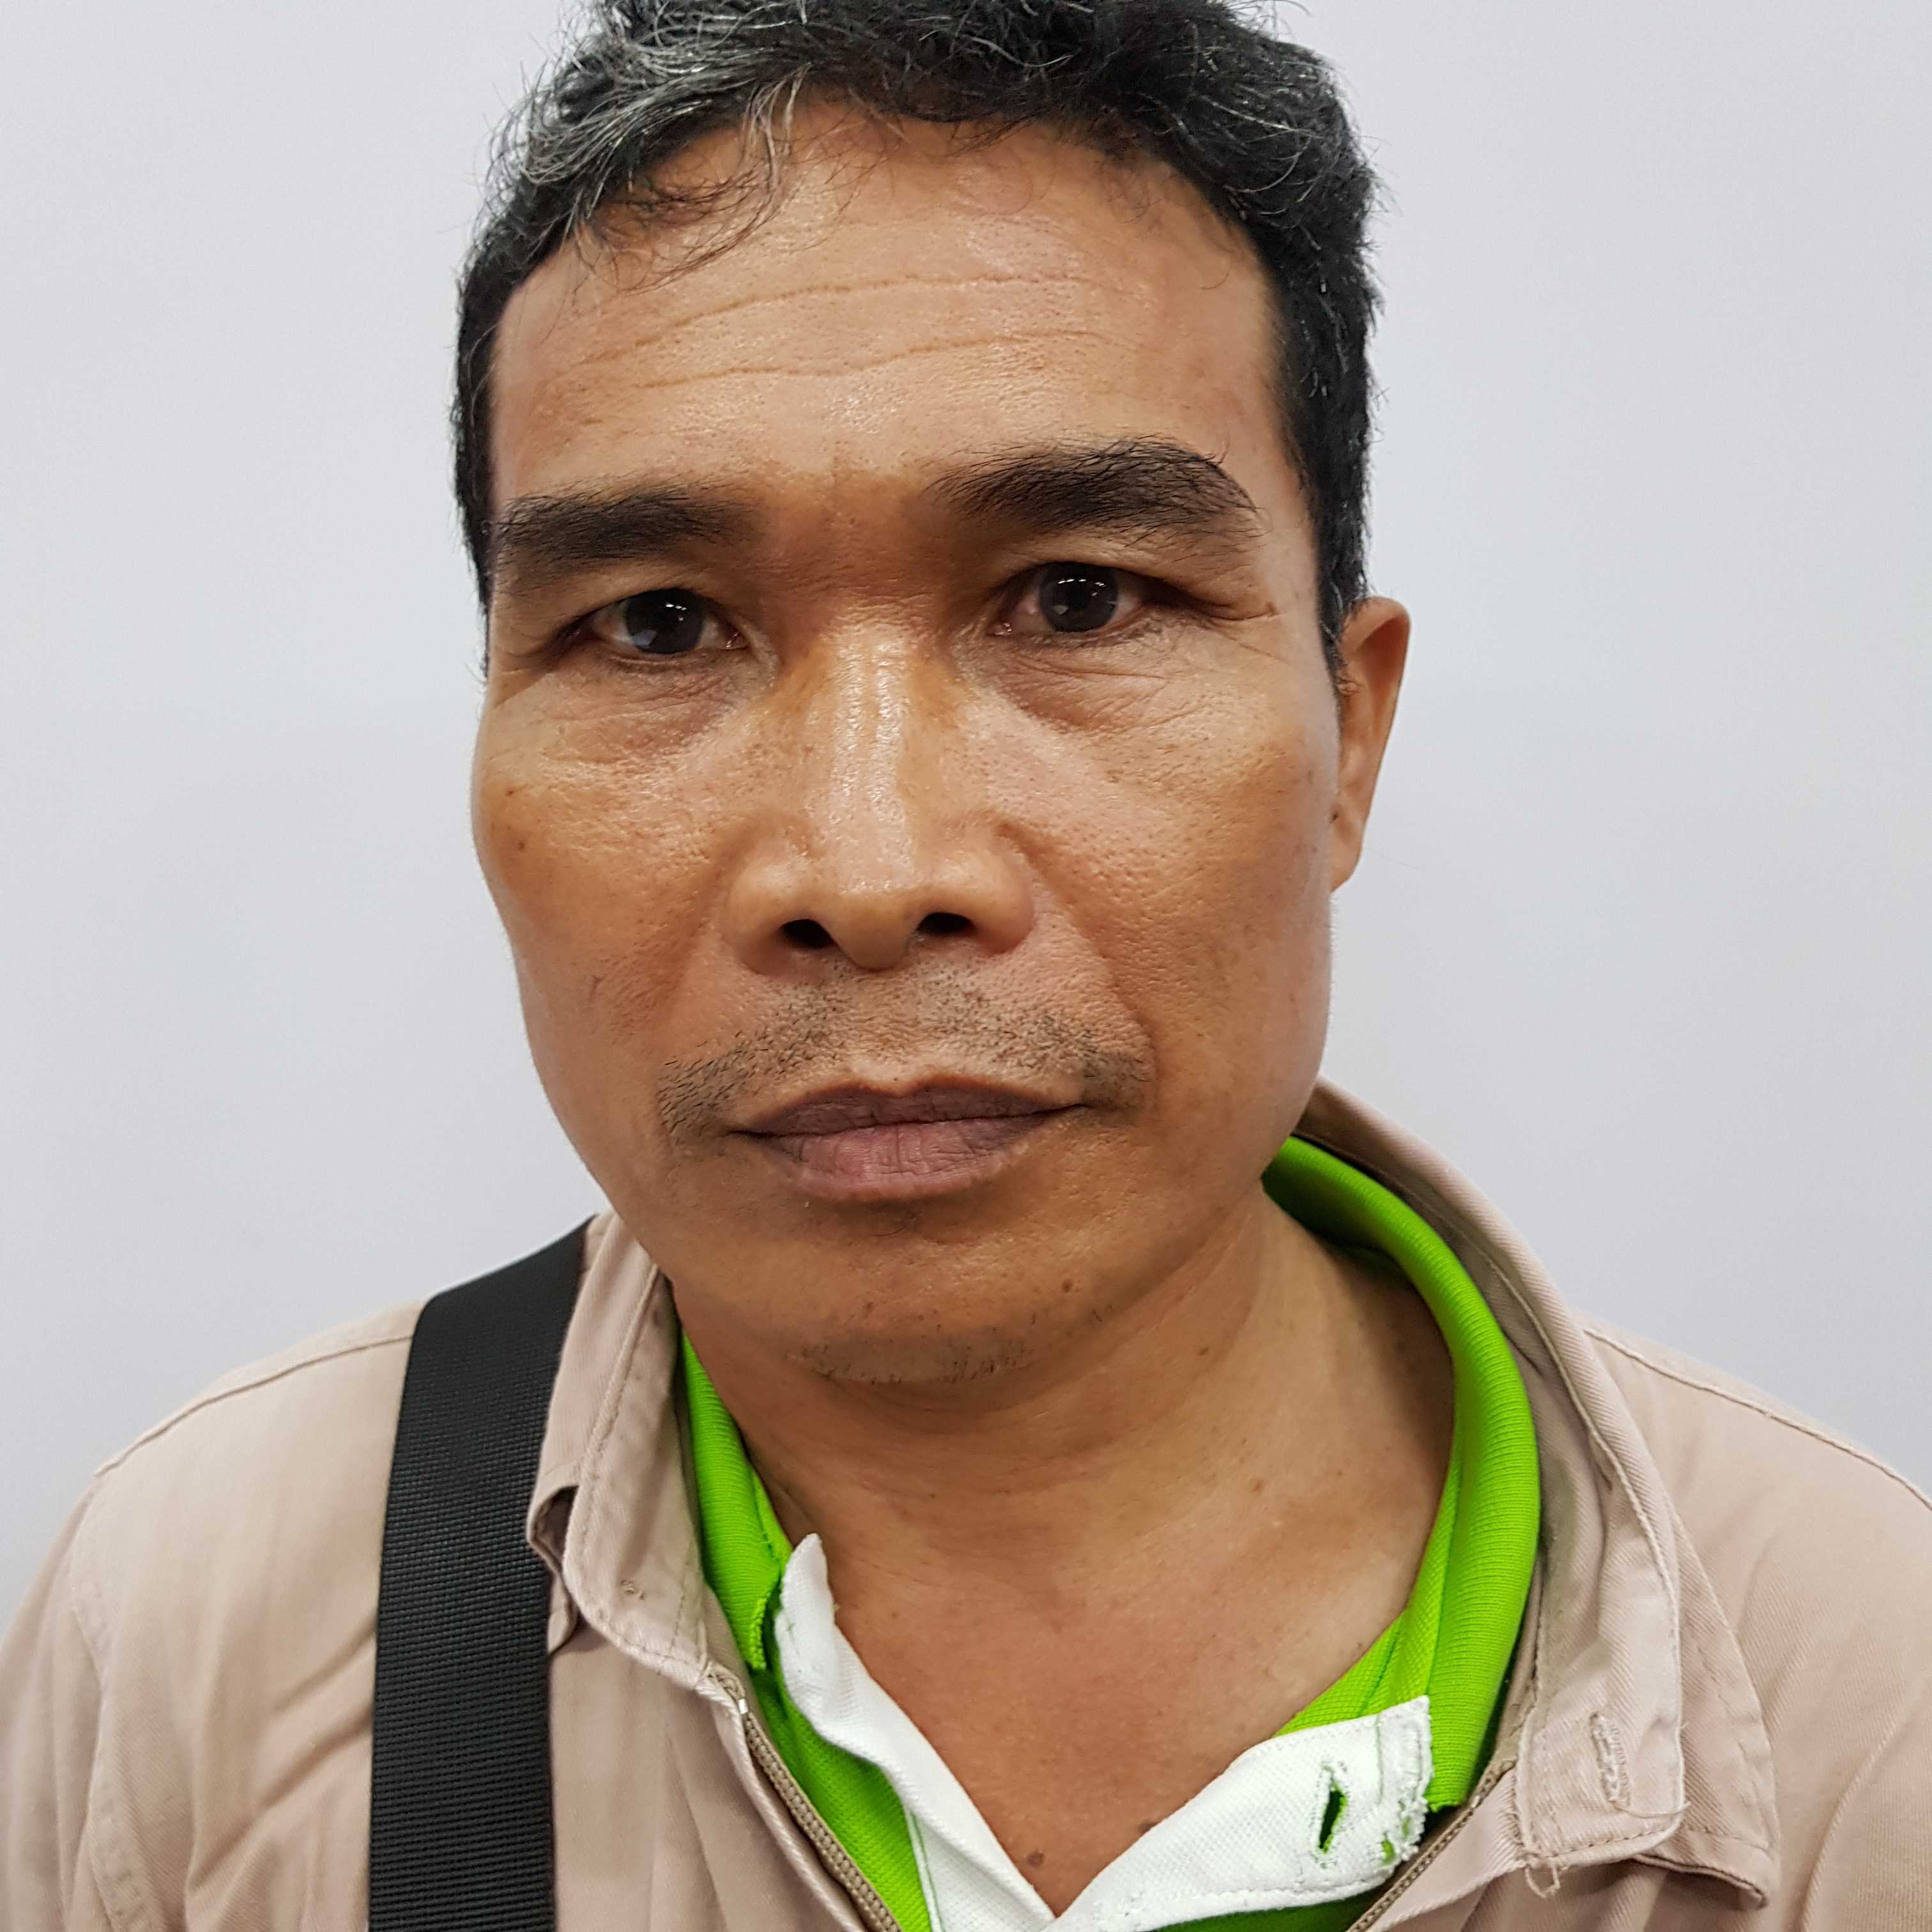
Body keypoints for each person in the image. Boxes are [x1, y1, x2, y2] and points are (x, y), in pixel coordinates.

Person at [4, 1, 1928, 1926]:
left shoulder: (1864, 1695)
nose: (866, 871)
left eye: (1076, 599)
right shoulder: (204, 1636)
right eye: (658, 624)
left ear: (1350, 738)